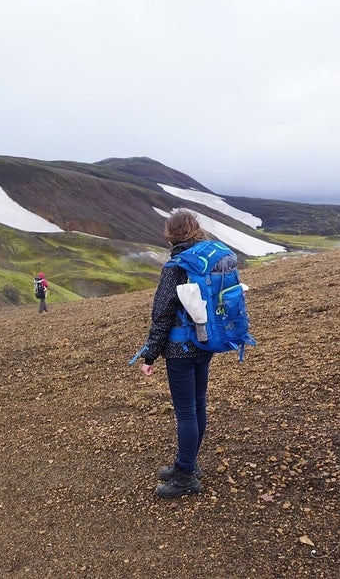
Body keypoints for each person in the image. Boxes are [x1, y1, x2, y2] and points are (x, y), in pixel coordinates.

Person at [138, 209, 212, 498]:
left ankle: (185, 477)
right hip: (206, 343)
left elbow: (163, 312)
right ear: (195, 229)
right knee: (198, 404)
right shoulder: (208, 260)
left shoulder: (175, 266)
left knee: (185, 413)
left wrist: (150, 355)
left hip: (180, 349)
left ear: (171, 235)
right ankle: (189, 464)